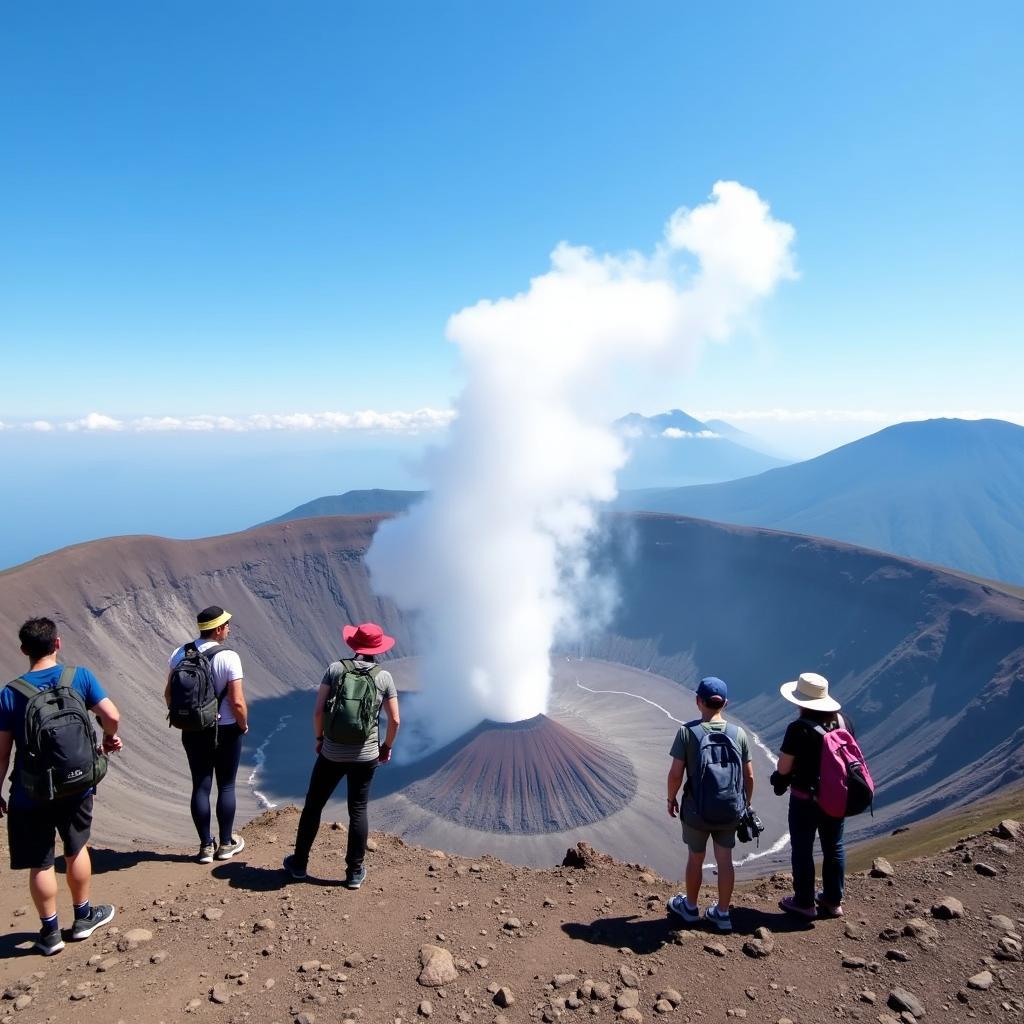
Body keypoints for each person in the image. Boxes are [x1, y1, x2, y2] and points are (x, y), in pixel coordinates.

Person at [0, 618, 123, 955]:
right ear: (58, 643)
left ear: (24, 650)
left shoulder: (10, 694)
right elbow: (111, 715)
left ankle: (50, 933)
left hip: (31, 792)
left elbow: (2, 753)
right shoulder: (79, 678)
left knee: (40, 862)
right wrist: (110, 738)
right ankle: (83, 917)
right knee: (75, 849)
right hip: (77, 785)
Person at [284, 621, 400, 890]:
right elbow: (394, 719)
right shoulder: (384, 677)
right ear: (378, 648)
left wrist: (320, 739)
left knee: (314, 806)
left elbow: (317, 712)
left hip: (331, 752)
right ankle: (353, 873)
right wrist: (386, 746)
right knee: (358, 810)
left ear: (354, 645)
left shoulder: (335, 669)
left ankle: (299, 864)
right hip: (367, 754)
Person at [665, 676, 754, 934]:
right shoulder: (739, 735)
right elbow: (749, 777)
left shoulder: (687, 732)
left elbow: (675, 774)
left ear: (698, 702)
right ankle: (723, 914)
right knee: (724, 859)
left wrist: (671, 799)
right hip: (729, 810)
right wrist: (744, 805)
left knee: (696, 857)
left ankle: (690, 909)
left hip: (696, 811)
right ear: (725, 703)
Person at [166, 605, 248, 863]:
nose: (229, 628)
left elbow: (168, 693)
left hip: (193, 730)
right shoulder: (229, 657)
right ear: (218, 629)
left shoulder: (180, 653)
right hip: (225, 730)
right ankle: (225, 844)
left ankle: (205, 847)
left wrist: (188, 717)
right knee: (226, 785)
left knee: (200, 786)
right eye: (226, 625)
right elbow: (236, 702)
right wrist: (243, 724)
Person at [771, 671, 853, 919]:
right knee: (834, 846)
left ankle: (804, 902)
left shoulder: (798, 729)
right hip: (836, 797)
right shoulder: (843, 722)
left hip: (805, 799)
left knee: (803, 849)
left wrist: (779, 780)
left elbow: (784, 768)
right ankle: (833, 901)